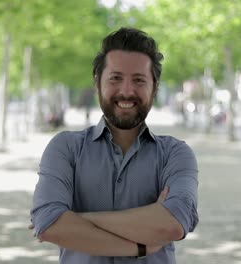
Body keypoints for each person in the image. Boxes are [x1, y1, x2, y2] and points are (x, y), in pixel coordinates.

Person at [30, 27, 198, 263]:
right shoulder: (65, 148)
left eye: (139, 80)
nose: (127, 91)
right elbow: (49, 225)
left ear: (155, 86)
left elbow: (172, 225)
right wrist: (141, 247)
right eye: (115, 78)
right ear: (97, 83)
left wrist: (76, 219)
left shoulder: (176, 154)